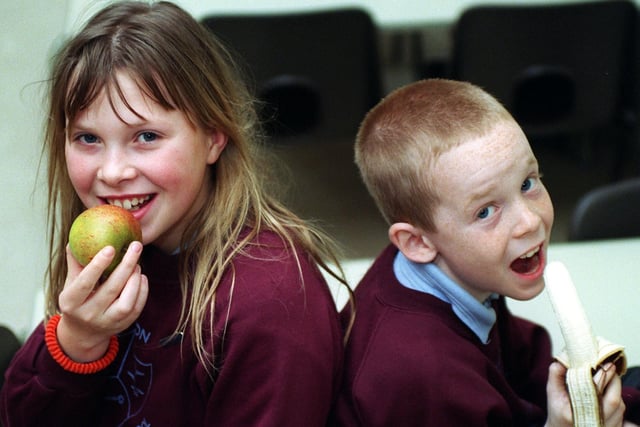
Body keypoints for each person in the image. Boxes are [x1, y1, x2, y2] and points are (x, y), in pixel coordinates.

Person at [0, 2, 349, 426]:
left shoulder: (269, 305)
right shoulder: (123, 249)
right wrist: (78, 340)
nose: (112, 173)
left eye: (146, 136)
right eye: (88, 138)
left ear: (214, 137)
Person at [330, 79, 640, 426]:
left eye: (527, 183)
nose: (529, 220)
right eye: (485, 212)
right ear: (416, 242)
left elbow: (520, 364)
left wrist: (596, 401)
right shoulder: (423, 373)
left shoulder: (467, 269)